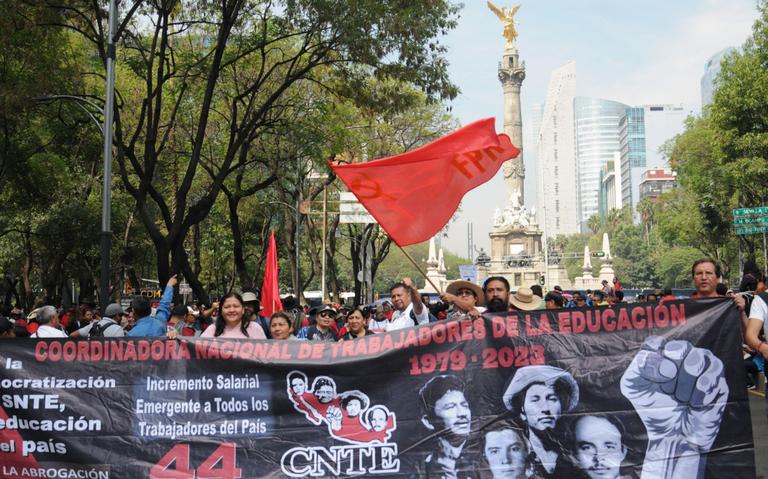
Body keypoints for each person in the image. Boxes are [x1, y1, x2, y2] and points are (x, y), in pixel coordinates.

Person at [502, 365, 580, 478]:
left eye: (552, 399)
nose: (545, 409)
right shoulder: (514, 457)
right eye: (535, 399)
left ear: (562, 408)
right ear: (522, 411)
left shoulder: (576, 454)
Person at [416, 374, 476, 479]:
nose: (462, 413)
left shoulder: (488, 458)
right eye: (450, 407)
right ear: (428, 421)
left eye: (464, 405)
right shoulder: (422, 470)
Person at [200, 292, 267, 339]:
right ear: (221, 310)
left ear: (243, 309)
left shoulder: (255, 328)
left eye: (236, 306)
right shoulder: (212, 330)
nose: (232, 310)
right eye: (227, 307)